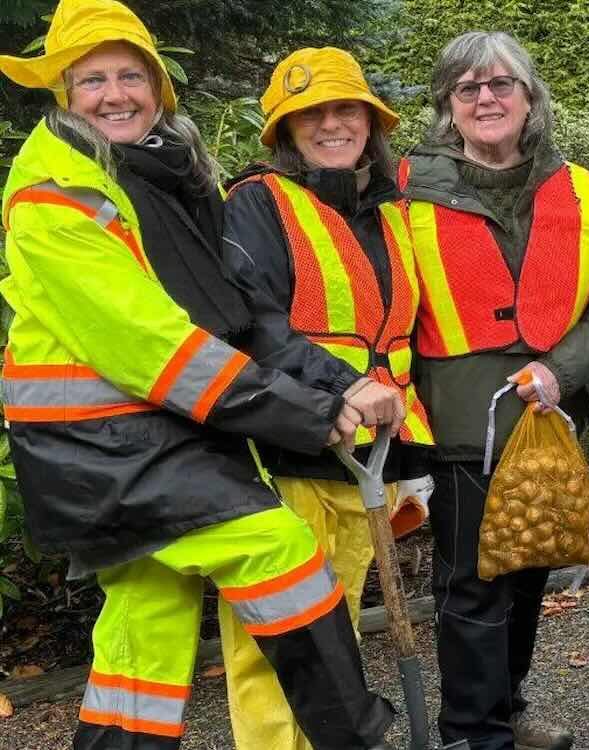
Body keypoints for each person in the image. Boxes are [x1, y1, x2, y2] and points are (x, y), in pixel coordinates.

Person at [0, 1, 401, 747]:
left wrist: (337, 384)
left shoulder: (169, 175)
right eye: (92, 80)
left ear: (157, 86)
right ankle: (355, 735)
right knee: (276, 551)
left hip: (150, 431)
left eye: (130, 76)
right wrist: (303, 414)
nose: (115, 94)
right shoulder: (56, 195)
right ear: (64, 94)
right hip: (101, 442)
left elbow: (238, 312)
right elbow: (153, 348)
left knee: (145, 634)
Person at [399, 30, 589, 750]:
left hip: (550, 415)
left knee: (529, 567)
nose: (486, 99)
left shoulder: (579, 188)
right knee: (473, 582)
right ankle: (472, 733)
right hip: (462, 420)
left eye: (501, 85)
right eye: (468, 88)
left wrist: (564, 369)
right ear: (447, 105)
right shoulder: (407, 187)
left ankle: (508, 709)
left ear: (529, 98)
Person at [217, 46, 437, 750]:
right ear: (285, 129)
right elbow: (253, 323)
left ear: (371, 123)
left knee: (335, 638)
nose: (332, 124)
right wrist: (344, 387)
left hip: (367, 456)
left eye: (347, 110)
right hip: (287, 451)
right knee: (275, 641)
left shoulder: (387, 212)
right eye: (310, 113)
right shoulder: (256, 203)